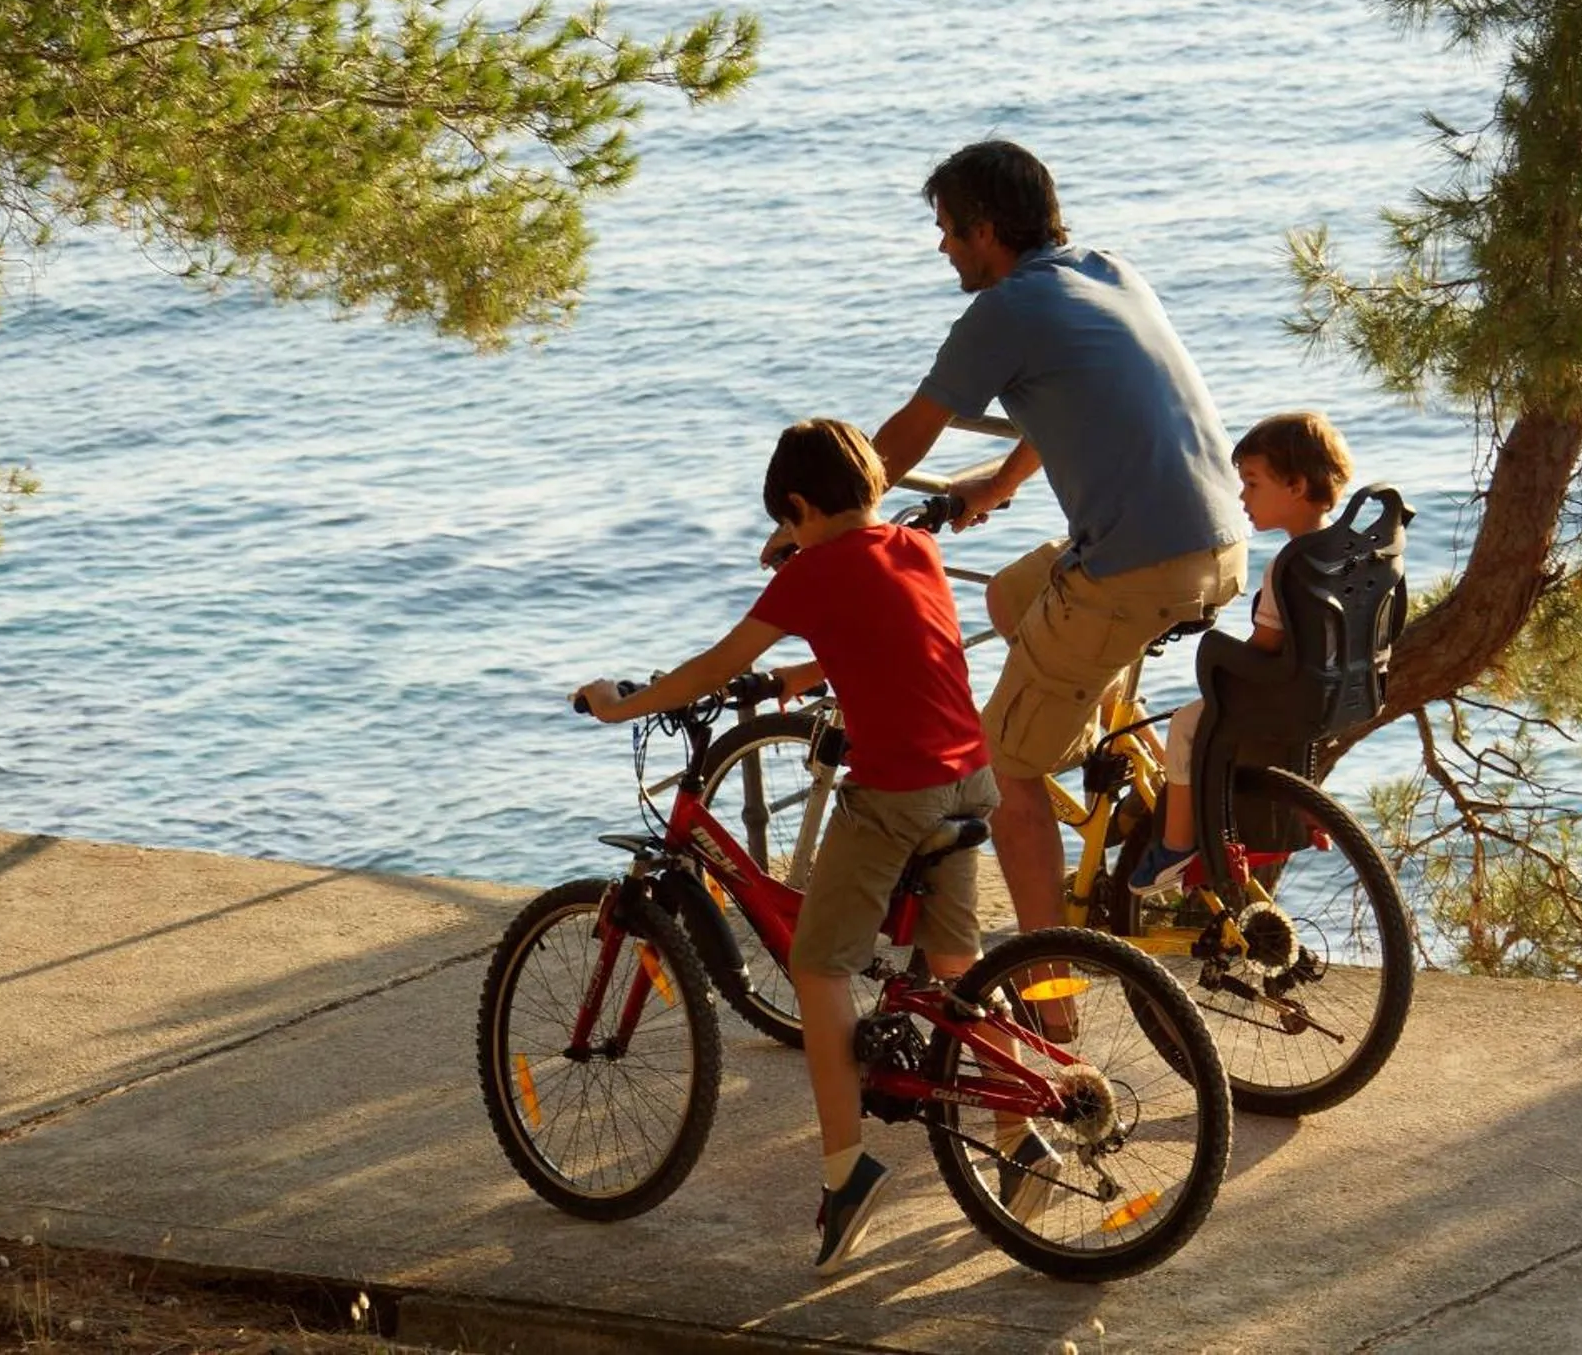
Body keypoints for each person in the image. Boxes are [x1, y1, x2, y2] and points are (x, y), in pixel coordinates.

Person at [783, 139, 1248, 937]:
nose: (941, 246)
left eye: (948, 230)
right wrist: (998, 485)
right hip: (1221, 539)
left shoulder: (1001, 311)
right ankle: (1103, 775)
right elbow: (1078, 394)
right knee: (1009, 593)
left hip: (1135, 566)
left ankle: (1048, 986)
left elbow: (902, 439)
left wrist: (818, 527)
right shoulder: (1108, 271)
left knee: (1004, 765)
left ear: (987, 230)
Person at [575, 418, 1000, 1274]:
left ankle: (847, 1172)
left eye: (790, 524)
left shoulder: (811, 572)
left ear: (799, 508)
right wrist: (798, 677)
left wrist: (623, 702)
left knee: (818, 966)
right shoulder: (910, 548)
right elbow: (899, 642)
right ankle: (1021, 1144)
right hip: (970, 772)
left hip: (898, 793)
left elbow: (710, 665)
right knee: (958, 965)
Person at [1130, 410, 1355, 890]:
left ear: (1295, 485)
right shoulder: (1349, 551)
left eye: (1252, 483)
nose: (1242, 496)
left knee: (1187, 725)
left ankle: (1173, 847)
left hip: (1284, 693)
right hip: (1335, 690)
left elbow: (1264, 646)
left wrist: (1224, 664)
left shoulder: (1291, 565)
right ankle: (1304, 808)